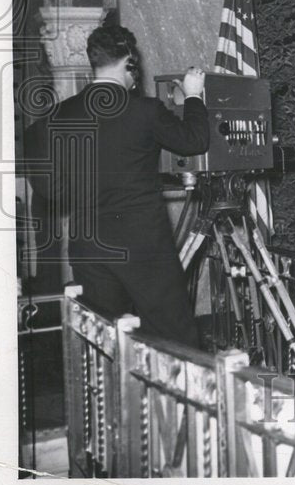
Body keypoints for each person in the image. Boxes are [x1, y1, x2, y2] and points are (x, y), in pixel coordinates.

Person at [24, 25, 209, 347]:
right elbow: (194, 141)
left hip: (88, 245)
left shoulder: (58, 116)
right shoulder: (145, 111)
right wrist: (192, 96)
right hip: (143, 244)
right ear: (130, 62)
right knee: (172, 336)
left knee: (103, 342)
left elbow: (49, 190)